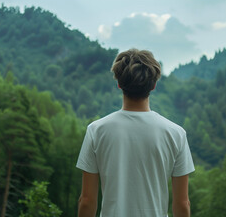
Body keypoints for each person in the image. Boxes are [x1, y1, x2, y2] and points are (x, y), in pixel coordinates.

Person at [76, 49, 195, 217]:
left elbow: (87, 200)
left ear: (119, 83)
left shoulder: (96, 131)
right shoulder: (176, 134)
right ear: (153, 85)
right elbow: (182, 204)